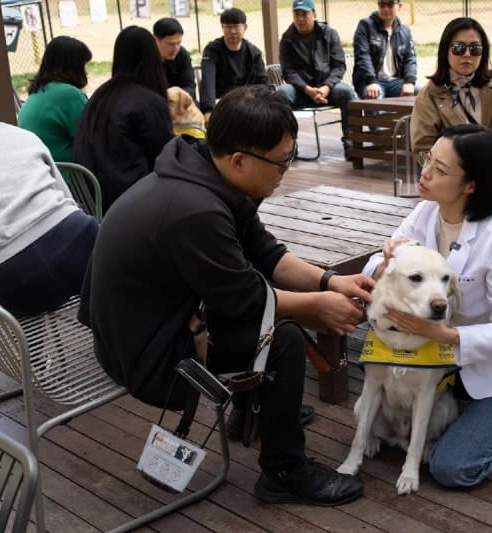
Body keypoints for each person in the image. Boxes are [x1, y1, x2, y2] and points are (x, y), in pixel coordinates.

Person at [78, 85, 372, 506]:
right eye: (282, 160)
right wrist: (317, 308)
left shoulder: (200, 167)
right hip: (146, 355)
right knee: (284, 336)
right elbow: (246, 300)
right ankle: (283, 472)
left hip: (153, 324)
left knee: (272, 322)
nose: (286, 170)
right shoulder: (195, 209)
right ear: (239, 160)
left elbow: (265, 252)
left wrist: (329, 281)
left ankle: (252, 416)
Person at [362, 123, 492, 489]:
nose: (426, 172)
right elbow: (375, 270)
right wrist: (386, 260)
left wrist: (442, 333)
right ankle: (474, 411)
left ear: (471, 185)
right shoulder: (425, 214)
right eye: (428, 160)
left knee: (451, 468)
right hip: (444, 359)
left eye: (441, 169)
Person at [0, 77, 97, 316]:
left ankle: (36, 354)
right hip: (77, 238)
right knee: (105, 305)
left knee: (28, 330)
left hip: (13, 272)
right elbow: (64, 195)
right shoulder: (18, 134)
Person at [72, 26, 173, 213]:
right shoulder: (147, 102)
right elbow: (168, 158)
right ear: (152, 57)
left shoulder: (100, 96)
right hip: (134, 204)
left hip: (95, 201)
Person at [410, 17, 492, 156]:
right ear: (445, 51)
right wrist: (457, 171)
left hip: (490, 170)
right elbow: (423, 147)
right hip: (446, 173)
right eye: (459, 48)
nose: (467, 54)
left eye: (475, 48)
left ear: (483, 53)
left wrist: (490, 168)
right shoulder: (430, 94)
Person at [277, 0, 358, 158]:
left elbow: (339, 65)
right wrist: (307, 89)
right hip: (300, 90)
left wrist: (326, 87)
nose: (300, 19)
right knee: (281, 94)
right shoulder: (287, 38)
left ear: (314, 14)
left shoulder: (329, 34)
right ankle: (290, 146)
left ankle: (352, 145)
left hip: (328, 88)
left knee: (347, 92)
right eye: (297, 15)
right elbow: (288, 71)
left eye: (305, 14)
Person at [18, 36, 92, 163]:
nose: (86, 72)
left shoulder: (37, 92)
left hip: (42, 171)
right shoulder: (69, 95)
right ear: (73, 66)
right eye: (83, 65)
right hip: (70, 176)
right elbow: (93, 138)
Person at [199, 7, 267, 121]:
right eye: (228, 26)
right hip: (221, 102)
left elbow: (263, 82)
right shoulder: (212, 50)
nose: (232, 31)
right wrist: (208, 110)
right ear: (222, 28)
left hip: (248, 103)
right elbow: (207, 80)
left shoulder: (254, 52)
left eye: (236, 26)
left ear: (245, 28)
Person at [352, 0, 418, 100]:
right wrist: (371, 81)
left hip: (396, 82)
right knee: (374, 96)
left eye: (390, 4)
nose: (385, 8)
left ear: (399, 6)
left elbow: (410, 59)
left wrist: (409, 81)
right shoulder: (365, 26)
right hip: (370, 82)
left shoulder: (405, 31)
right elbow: (362, 56)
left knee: (422, 92)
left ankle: (408, 117)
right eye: (382, 4)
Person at [153, 17, 197, 101]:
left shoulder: (182, 55)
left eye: (179, 43)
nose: (175, 49)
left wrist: (176, 96)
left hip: (178, 102)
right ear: (156, 39)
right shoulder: (145, 57)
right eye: (171, 44)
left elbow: (190, 86)